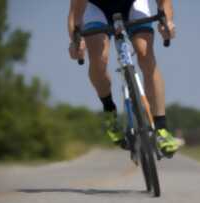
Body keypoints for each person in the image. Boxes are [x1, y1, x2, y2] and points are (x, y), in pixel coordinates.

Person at [68, 0, 179, 157]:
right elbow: (75, 14)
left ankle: (161, 128)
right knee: (99, 59)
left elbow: (164, 3)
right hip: (97, 8)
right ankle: (109, 109)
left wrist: (167, 22)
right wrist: (75, 43)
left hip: (134, 4)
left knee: (146, 55)